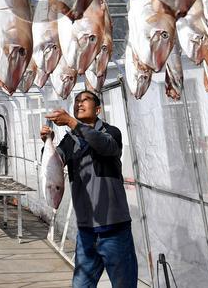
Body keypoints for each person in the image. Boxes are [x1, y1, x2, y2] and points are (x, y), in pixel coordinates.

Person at [41, 91, 137, 288]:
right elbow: (53, 164)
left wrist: (72, 123)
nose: (79, 103)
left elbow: (104, 146)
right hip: (86, 233)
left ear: (98, 109)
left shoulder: (112, 132)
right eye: (76, 101)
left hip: (115, 230)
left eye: (85, 100)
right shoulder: (69, 141)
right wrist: (47, 142)